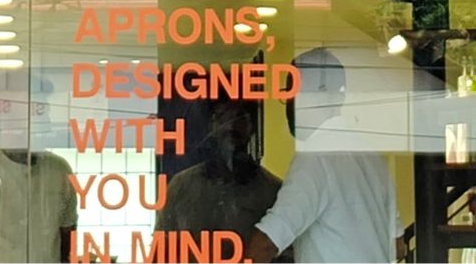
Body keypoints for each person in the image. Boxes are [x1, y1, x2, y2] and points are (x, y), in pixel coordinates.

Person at [248, 49, 401, 264]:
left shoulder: (316, 157)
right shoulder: (372, 157)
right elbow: (398, 246)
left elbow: (266, 243)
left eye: (292, 93)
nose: (289, 104)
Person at [0, 69, 78, 263]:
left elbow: (68, 239)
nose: (43, 118)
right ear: (2, 115)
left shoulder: (59, 170)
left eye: (42, 110)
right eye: (34, 110)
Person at [156, 93, 285, 262]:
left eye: (240, 117)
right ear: (211, 125)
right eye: (223, 115)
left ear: (252, 127)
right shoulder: (181, 187)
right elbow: (161, 252)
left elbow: (285, 255)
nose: (230, 125)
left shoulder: (274, 192)